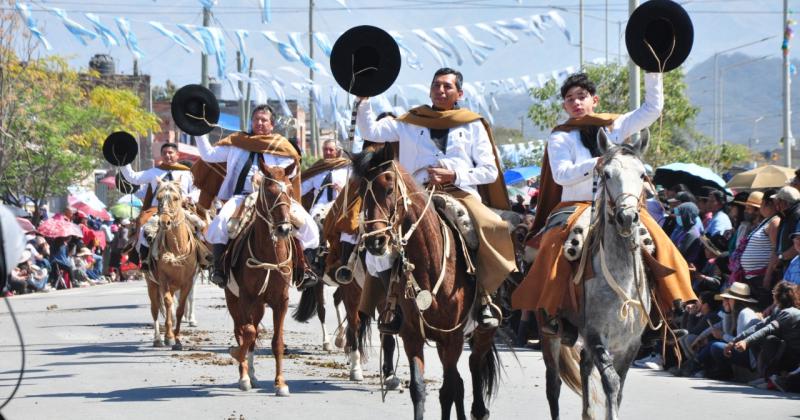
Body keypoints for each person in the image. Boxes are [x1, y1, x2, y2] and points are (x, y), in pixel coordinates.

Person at [511, 71, 696, 342]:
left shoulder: (616, 126)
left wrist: (653, 73)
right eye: (569, 99)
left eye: (581, 97)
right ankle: (551, 311)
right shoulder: (560, 137)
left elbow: (652, 109)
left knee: (657, 241)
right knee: (557, 244)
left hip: (616, 204)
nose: (575, 102)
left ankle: (669, 309)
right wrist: (595, 163)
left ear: (594, 100)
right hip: (576, 205)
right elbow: (561, 174)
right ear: (564, 106)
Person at [356, 67, 516, 329]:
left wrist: (454, 175)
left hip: (460, 193)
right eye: (436, 86)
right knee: (381, 238)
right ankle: (392, 303)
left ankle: (486, 298)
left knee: (492, 227)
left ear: (459, 93)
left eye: (447, 87)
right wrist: (363, 99)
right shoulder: (410, 121)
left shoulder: (472, 124)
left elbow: (489, 170)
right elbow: (370, 131)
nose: (440, 90)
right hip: (414, 195)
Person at [194, 104, 319, 290]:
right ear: (251, 122)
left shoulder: (281, 146)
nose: (259, 123)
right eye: (256, 119)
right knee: (219, 221)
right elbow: (208, 154)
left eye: (264, 120)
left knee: (309, 224)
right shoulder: (237, 142)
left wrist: (267, 176)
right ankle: (219, 269)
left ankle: (305, 269)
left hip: (274, 199)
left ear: (272, 124)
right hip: (241, 198)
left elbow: (288, 172)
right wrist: (197, 129)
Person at [120, 142, 194, 271]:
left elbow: (197, 189)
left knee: (203, 227)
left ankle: (206, 258)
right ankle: (144, 259)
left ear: (177, 155)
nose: (167, 155)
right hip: (156, 210)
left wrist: (190, 197)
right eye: (164, 153)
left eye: (170, 153)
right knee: (143, 228)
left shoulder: (187, 173)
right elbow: (133, 177)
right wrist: (123, 161)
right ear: (161, 155)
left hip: (182, 209)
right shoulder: (154, 172)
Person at [727, 281, 800, 383]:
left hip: (794, 358)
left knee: (769, 339)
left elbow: (768, 328)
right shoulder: (779, 311)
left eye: (774, 292)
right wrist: (735, 340)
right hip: (786, 354)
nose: (773, 294)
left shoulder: (790, 313)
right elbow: (759, 326)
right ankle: (766, 376)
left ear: (780, 295)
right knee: (758, 336)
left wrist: (746, 342)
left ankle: (772, 377)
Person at [300, 139, 351, 275]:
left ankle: (347, 260)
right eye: (325, 150)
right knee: (310, 223)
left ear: (338, 151)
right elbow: (302, 188)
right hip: (320, 206)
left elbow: (354, 188)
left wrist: (343, 189)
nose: (328, 152)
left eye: (331, 150)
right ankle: (311, 262)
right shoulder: (318, 168)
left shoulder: (347, 168)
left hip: (339, 204)